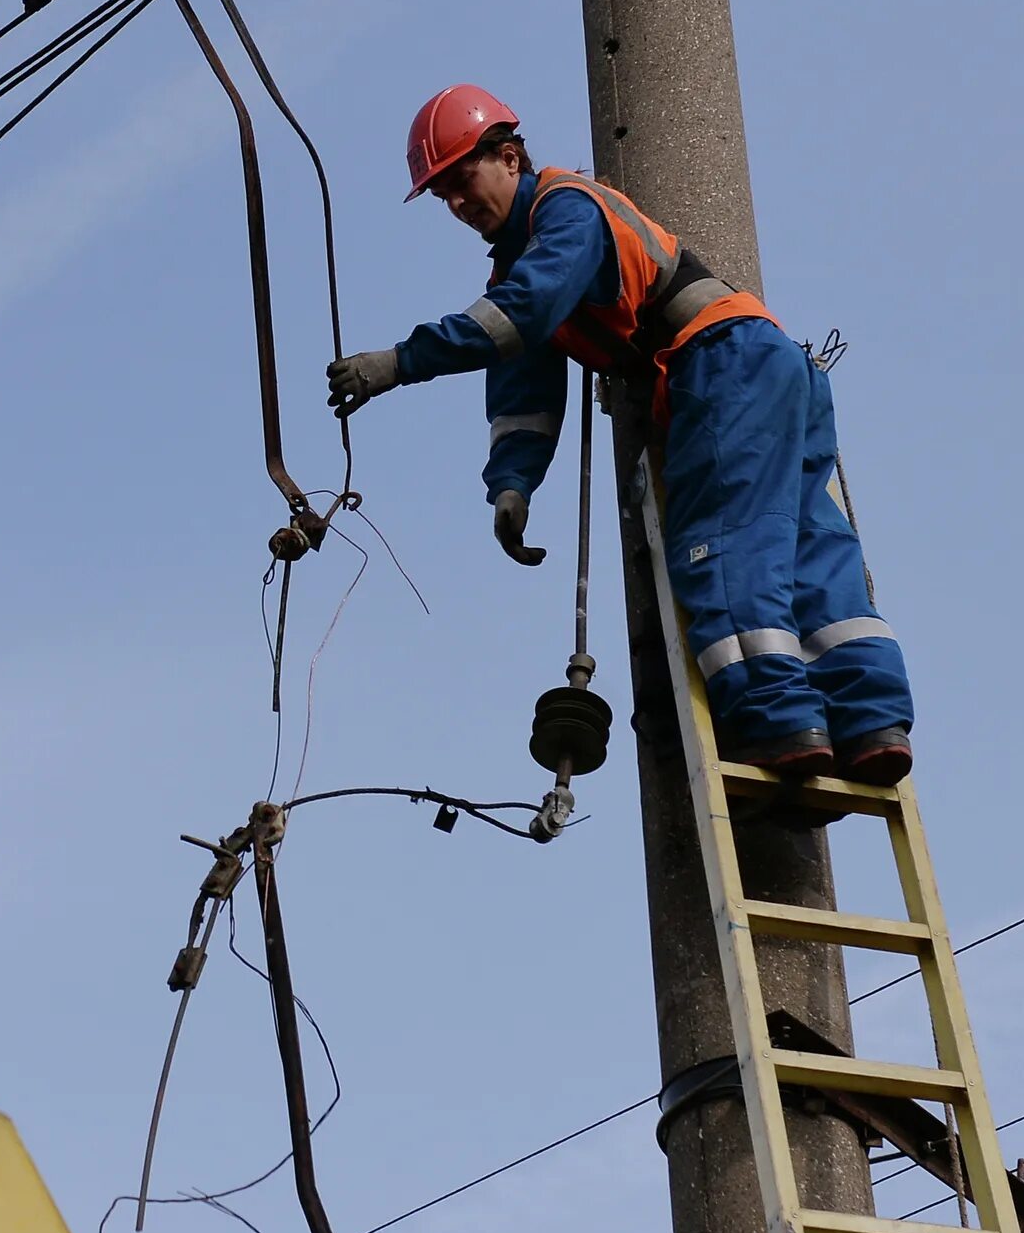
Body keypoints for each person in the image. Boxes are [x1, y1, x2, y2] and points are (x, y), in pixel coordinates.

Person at [324, 85, 912, 782]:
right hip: (769, 363)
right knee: (808, 542)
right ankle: (869, 718)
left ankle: (779, 723)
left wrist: (398, 363)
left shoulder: (566, 208)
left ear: (509, 157)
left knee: (721, 544)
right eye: (442, 194)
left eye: (462, 179)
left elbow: (520, 315)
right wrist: (511, 486)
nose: (456, 203)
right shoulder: (525, 259)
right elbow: (524, 386)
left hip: (722, 365)